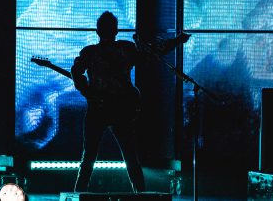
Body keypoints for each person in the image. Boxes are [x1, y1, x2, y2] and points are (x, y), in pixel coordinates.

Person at [71, 11, 190, 192]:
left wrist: (88, 92)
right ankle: (140, 194)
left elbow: (76, 72)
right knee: (129, 157)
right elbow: (154, 51)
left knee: (89, 157)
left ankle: (78, 194)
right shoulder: (125, 49)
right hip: (119, 109)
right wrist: (177, 41)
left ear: (98, 31)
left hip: (101, 108)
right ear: (116, 30)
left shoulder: (91, 53)